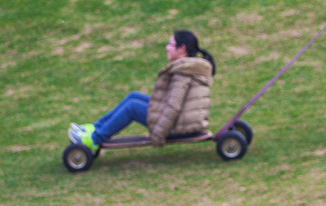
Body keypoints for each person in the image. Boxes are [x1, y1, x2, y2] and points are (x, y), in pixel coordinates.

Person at [68, 30, 216, 151]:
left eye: (170, 44)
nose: (167, 47)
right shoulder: (187, 68)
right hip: (182, 119)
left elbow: (174, 106)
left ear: (182, 49)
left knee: (132, 107)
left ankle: (93, 140)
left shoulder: (184, 73)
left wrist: (159, 135)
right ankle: (93, 129)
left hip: (177, 125)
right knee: (134, 97)